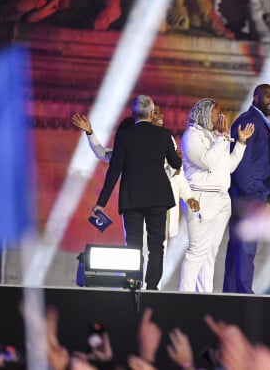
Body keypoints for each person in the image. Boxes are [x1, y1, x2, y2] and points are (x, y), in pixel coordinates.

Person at [72, 106, 199, 289]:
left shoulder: (164, 137)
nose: (161, 115)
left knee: (157, 247)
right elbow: (105, 155)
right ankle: (135, 284)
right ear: (148, 115)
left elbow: (176, 172)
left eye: (161, 112)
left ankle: (154, 288)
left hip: (157, 201)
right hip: (136, 202)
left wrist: (188, 195)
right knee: (136, 247)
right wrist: (90, 133)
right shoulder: (129, 140)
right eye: (156, 112)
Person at [92, 95, 182, 290]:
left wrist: (102, 201)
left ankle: (134, 283)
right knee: (157, 245)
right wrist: (177, 157)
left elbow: (114, 169)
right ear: (151, 114)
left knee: (133, 244)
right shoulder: (164, 135)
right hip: (158, 197)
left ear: (133, 114)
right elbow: (175, 163)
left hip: (132, 197)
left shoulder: (124, 136)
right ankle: (152, 287)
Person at [179, 98, 255, 292]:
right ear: (204, 113)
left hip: (221, 198)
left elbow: (228, 167)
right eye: (216, 112)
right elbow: (206, 162)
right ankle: (184, 297)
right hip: (201, 197)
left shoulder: (216, 137)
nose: (220, 117)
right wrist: (223, 137)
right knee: (197, 251)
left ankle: (204, 296)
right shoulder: (191, 136)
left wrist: (240, 143)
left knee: (210, 252)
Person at [223, 84, 270, 294]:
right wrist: (251, 195)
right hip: (247, 195)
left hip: (254, 193)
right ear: (255, 98)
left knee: (239, 246)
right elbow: (242, 164)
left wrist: (269, 196)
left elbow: (262, 163)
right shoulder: (248, 121)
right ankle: (244, 292)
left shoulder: (261, 123)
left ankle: (231, 291)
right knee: (246, 246)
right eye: (267, 96)